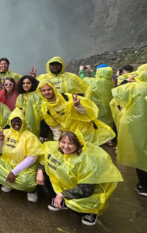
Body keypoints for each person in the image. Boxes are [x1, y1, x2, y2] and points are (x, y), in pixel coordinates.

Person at [37, 131, 123, 226]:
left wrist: (62, 194)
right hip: (69, 184)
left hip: (87, 191)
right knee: (46, 177)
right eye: (63, 142)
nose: (66, 146)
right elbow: (45, 158)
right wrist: (40, 171)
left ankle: (91, 211)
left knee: (76, 208)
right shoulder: (56, 150)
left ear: (78, 145)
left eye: (70, 143)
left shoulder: (87, 161)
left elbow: (86, 189)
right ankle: (65, 201)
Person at [0, 109, 44, 202]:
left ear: (23, 122)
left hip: (24, 165)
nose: (16, 123)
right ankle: (9, 183)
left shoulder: (30, 136)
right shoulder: (5, 132)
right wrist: (0, 140)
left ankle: (32, 190)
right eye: (14, 120)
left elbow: (32, 158)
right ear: (10, 122)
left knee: (27, 182)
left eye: (19, 121)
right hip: (7, 161)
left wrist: (14, 172)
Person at [37, 80, 115, 145]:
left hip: (86, 131)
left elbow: (86, 113)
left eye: (49, 89)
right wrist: (58, 142)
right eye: (43, 91)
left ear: (53, 89)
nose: (47, 92)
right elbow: (55, 127)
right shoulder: (46, 108)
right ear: (40, 93)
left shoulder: (68, 97)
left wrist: (78, 105)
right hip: (71, 135)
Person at [110, 64, 147, 196]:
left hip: (137, 128)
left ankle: (143, 185)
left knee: (141, 156)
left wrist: (126, 81)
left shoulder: (133, 87)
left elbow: (115, 92)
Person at [84, 65, 115, 130]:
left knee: (100, 124)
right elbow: (100, 77)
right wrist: (91, 70)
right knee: (108, 122)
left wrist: (81, 70)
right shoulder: (111, 81)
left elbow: (82, 79)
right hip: (109, 106)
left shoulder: (96, 83)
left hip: (99, 107)